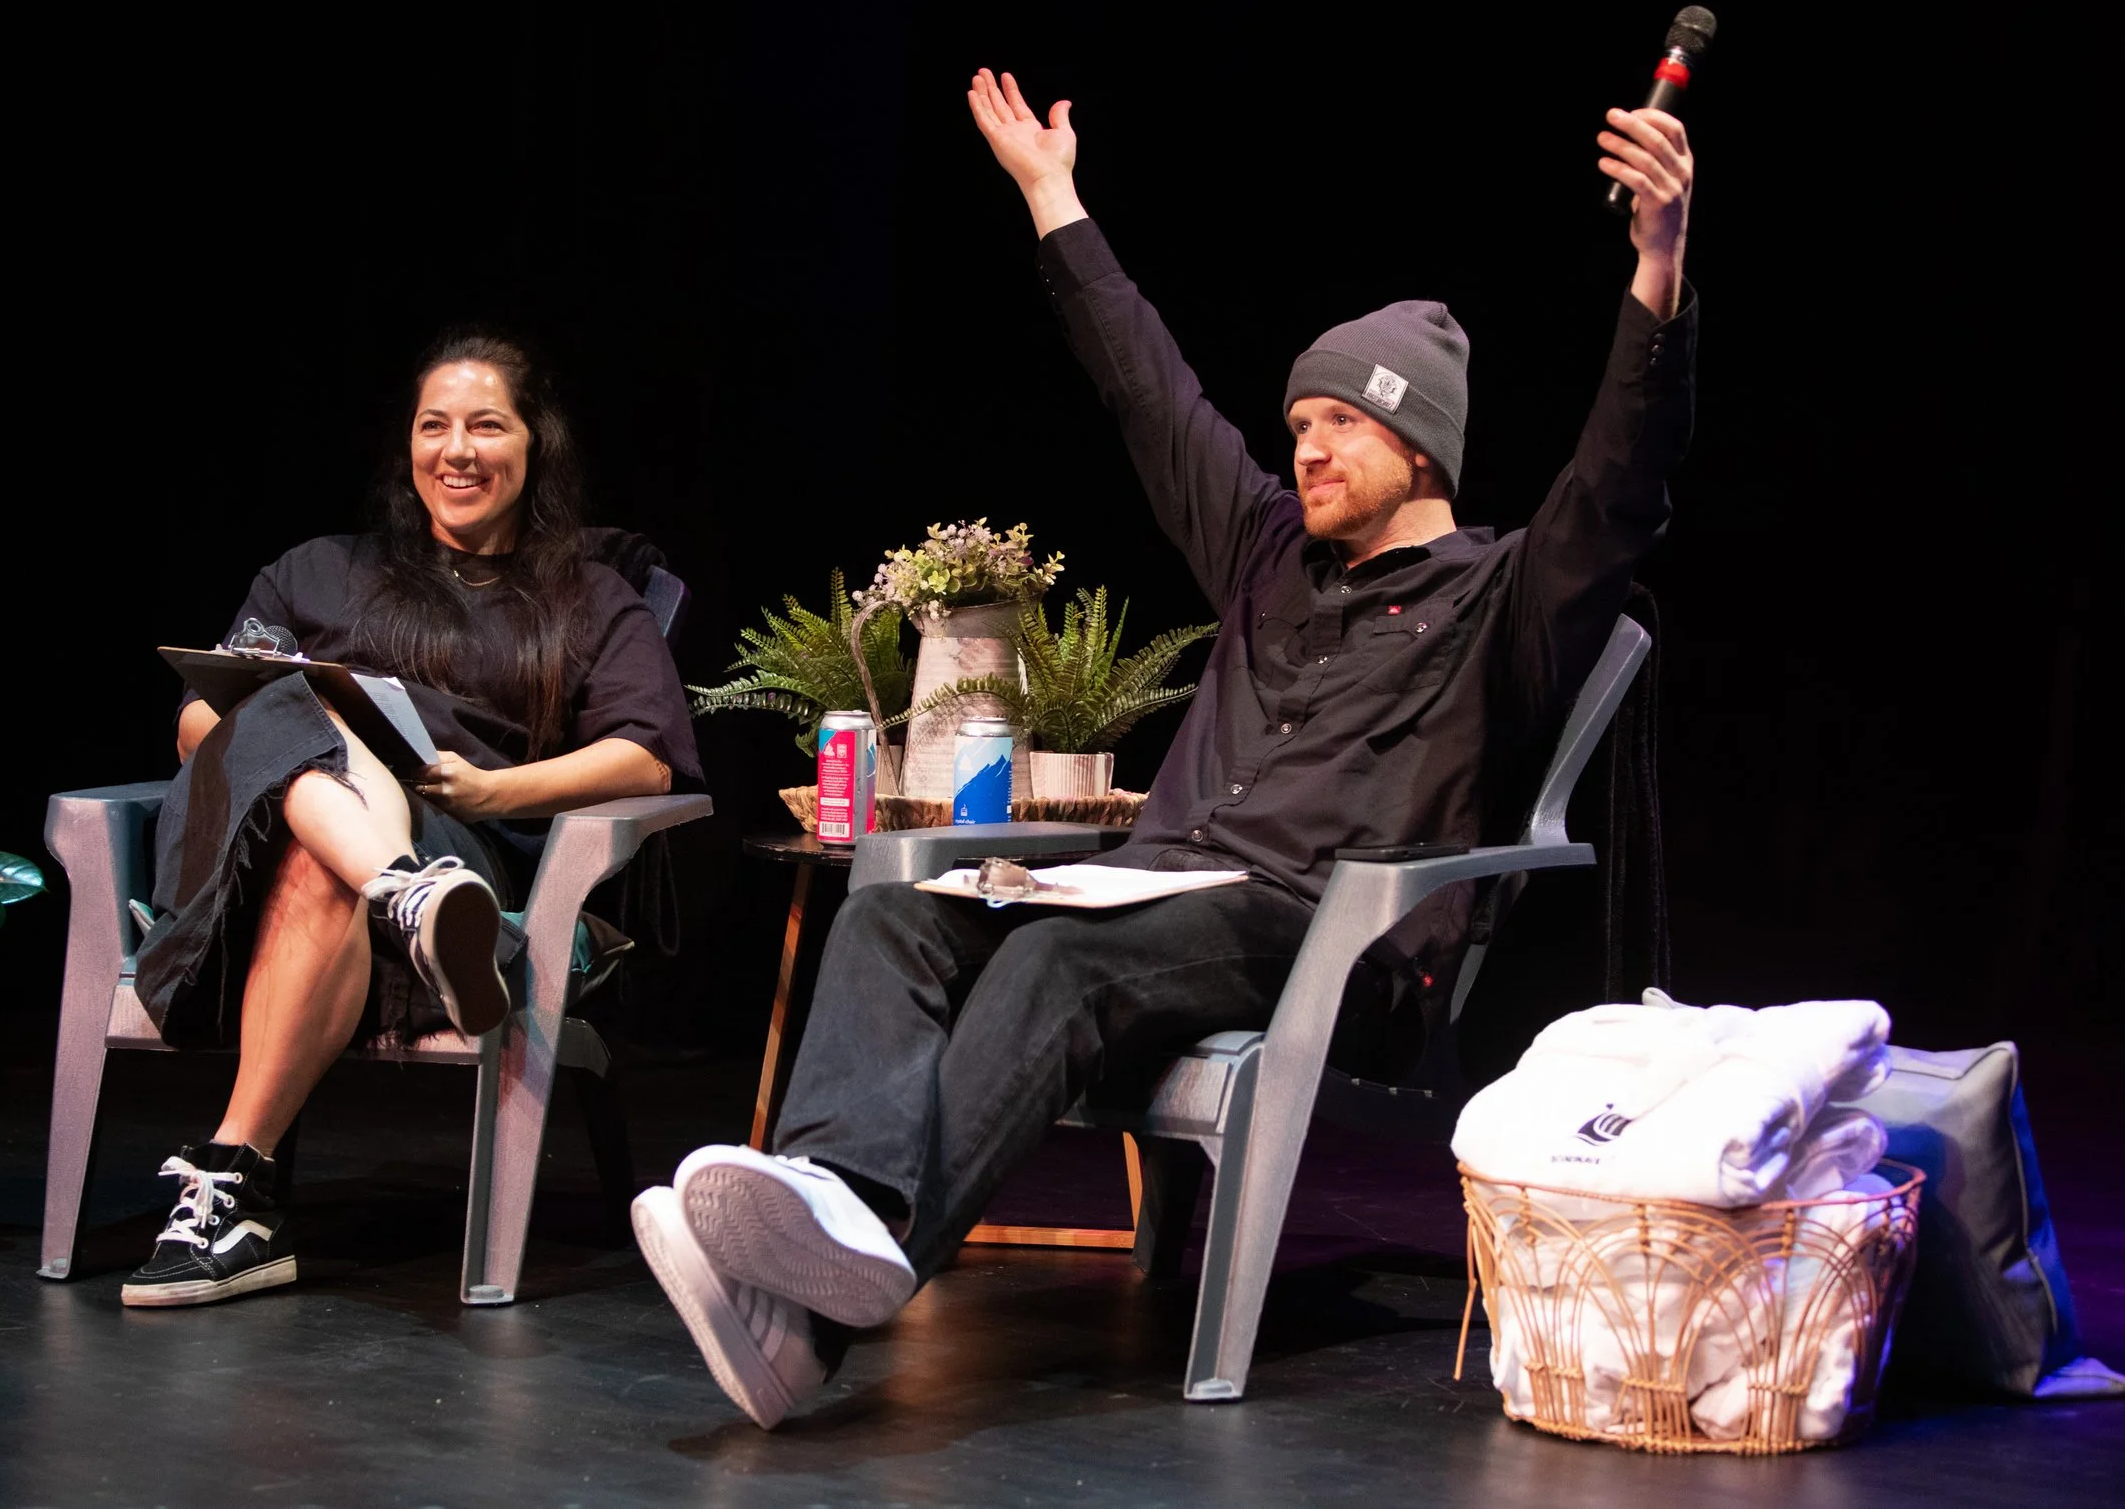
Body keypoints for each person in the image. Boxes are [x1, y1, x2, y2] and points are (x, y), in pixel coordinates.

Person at [634, 70, 1699, 1427]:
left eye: (1342, 422)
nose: (1305, 447)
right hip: (1150, 892)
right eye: (1298, 424)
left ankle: (845, 1265)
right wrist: (1051, 196)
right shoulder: (1266, 556)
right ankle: (818, 1259)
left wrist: (1659, 264)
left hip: (1326, 937)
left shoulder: (1506, 598)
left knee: (1056, 957)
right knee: (893, 908)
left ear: (1423, 445)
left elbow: (1621, 479)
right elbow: (1149, 389)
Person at [120, 328, 702, 1308]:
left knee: (318, 847)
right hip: (242, 858)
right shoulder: (313, 571)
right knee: (287, 704)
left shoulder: (589, 598)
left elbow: (645, 754)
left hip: (454, 845)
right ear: (408, 443)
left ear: (536, 443)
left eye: (487, 425)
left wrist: (493, 791)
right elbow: (196, 722)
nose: (457, 449)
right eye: (435, 425)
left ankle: (236, 1187)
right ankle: (402, 890)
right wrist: (288, 728)